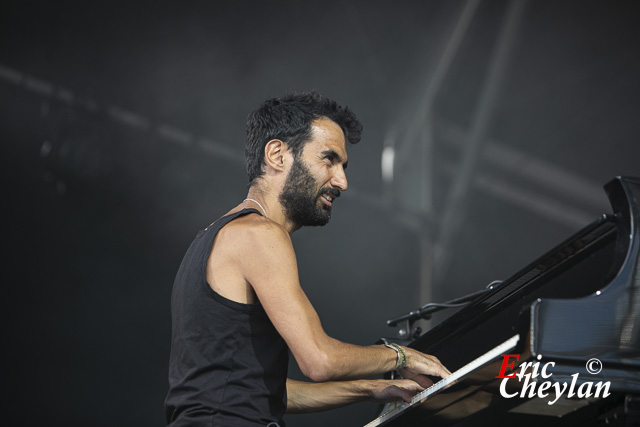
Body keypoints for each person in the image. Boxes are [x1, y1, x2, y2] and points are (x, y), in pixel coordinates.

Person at [165, 91, 451, 426]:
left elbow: (265, 392)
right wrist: (401, 355)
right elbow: (321, 361)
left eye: (343, 166)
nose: (341, 181)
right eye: (328, 159)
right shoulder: (258, 234)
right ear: (277, 155)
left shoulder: (213, 237)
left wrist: (370, 388)